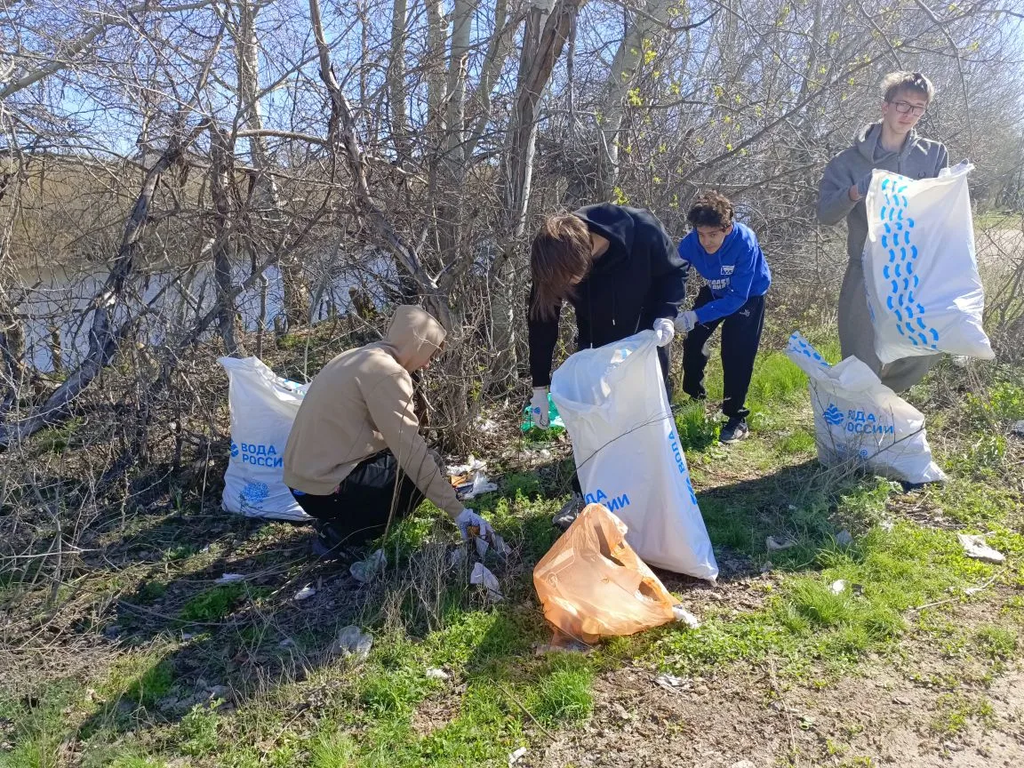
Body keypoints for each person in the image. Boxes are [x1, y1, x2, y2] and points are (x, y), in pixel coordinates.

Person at [283, 305, 493, 557]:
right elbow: (411, 452)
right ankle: (343, 532)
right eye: (429, 354)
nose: (427, 364)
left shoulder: (356, 356)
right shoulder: (388, 373)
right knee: (425, 466)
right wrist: (459, 513)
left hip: (303, 484)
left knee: (402, 463)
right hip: (324, 490)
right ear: (416, 345)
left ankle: (337, 519)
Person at [527, 203, 686, 525]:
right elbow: (542, 320)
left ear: (586, 253)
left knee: (648, 423)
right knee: (596, 426)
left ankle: (654, 499)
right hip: (595, 347)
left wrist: (666, 315)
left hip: (646, 341)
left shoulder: (642, 229)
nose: (567, 287)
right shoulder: (554, 260)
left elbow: (673, 272)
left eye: (571, 280)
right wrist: (539, 387)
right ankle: (587, 495)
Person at [818, 71, 949, 392]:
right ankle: (860, 418)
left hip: (914, 271)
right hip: (866, 272)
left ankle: (887, 403)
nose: (909, 114)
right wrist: (855, 192)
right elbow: (826, 214)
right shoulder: (847, 162)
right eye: (902, 104)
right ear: (885, 106)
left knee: (925, 345)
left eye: (918, 108)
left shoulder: (933, 154)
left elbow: (943, 212)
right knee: (861, 356)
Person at [675, 191, 771, 443]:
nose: (706, 241)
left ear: (727, 228)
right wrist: (668, 309)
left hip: (748, 295)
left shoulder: (744, 242)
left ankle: (736, 418)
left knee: (736, 353)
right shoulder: (690, 243)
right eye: (701, 233)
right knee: (693, 341)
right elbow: (674, 274)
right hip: (715, 290)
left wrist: (697, 314)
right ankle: (695, 399)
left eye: (713, 234)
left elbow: (737, 297)